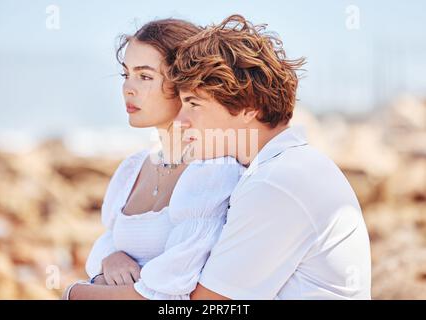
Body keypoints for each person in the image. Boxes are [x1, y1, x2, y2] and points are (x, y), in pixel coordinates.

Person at [168, 14, 372, 300]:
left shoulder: (276, 181)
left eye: (193, 103)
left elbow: (209, 303)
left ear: (247, 107)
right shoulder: (284, 166)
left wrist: (85, 293)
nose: (180, 121)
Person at [63, 18, 244, 300]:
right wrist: (110, 259)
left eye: (145, 76)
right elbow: (105, 243)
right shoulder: (132, 168)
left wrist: (74, 293)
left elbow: (174, 291)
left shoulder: (213, 170)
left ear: (186, 83)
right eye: (126, 75)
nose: (128, 89)